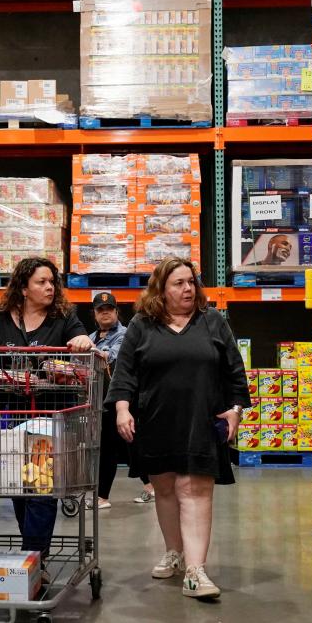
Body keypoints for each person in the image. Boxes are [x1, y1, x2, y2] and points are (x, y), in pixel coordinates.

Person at [107, 257, 250, 600]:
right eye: (179, 283)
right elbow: (125, 372)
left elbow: (235, 372)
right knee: (167, 489)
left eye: (191, 282)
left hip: (202, 421)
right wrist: (123, 409)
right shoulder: (142, 325)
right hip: (155, 422)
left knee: (196, 489)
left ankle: (195, 570)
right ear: (161, 290)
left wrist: (235, 410)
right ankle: (174, 552)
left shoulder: (213, 322)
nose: (188, 289)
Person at [0, 257, 92, 560]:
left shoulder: (64, 317)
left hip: (51, 416)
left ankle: (34, 556)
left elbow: (83, 339)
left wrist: (81, 340)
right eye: (41, 282)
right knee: (19, 486)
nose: (49, 287)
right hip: (11, 415)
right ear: (24, 288)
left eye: (52, 282)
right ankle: (33, 554)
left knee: (41, 486)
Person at [88, 292, 154, 509]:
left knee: (118, 445)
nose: (105, 313)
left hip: (125, 400)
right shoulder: (91, 337)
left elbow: (112, 355)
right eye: (100, 310)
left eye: (109, 309)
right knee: (124, 444)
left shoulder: (126, 334)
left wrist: (90, 353)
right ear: (95, 314)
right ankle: (150, 485)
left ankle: (103, 496)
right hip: (102, 400)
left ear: (117, 312)